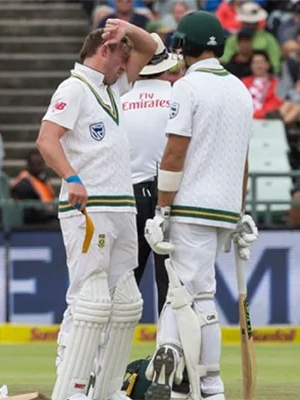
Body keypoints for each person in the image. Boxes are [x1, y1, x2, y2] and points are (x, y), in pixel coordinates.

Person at [36, 19, 156, 400]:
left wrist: (126, 29)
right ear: (104, 51)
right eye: (122, 57)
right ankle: (71, 384)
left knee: (124, 304)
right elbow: (46, 139)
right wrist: (71, 178)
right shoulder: (74, 88)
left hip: (122, 206)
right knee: (89, 300)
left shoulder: (112, 87)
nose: (127, 66)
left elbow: (149, 48)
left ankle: (105, 387)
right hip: (90, 207)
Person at [142, 10, 257, 400]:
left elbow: (174, 153)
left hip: (191, 205)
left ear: (183, 48)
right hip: (224, 207)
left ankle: (179, 378)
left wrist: (161, 210)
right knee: (200, 294)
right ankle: (207, 384)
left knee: (182, 294)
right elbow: (243, 158)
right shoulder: (241, 90)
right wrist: (239, 212)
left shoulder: (187, 88)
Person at [121, 33, 181, 316]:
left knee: (122, 283)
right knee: (170, 283)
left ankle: (107, 358)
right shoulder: (178, 95)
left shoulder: (118, 99)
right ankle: (170, 355)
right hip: (169, 196)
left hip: (128, 196)